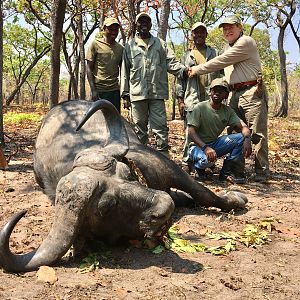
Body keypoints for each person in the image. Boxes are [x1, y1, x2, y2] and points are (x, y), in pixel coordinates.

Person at [188, 15, 269, 182]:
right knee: (233, 132)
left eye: (231, 26)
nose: (227, 30)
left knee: (257, 134)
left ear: (240, 27)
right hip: (233, 93)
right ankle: (235, 170)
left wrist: (197, 69)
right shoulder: (226, 48)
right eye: (224, 28)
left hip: (251, 92)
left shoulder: (246, 42)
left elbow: (221, 61)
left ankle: (262, 172)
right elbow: (222, 72)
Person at [120, 12, 187, 152]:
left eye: (146, 21)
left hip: (157, 94)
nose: (143, 24)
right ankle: (140, 161)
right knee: (139, 130)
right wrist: (125, 95)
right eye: (140, 21)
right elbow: (125, 72)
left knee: (160, 129)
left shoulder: (160, 44)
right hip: (137, 95)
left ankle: (164, 161)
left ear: (151, 25)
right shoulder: (129, 46)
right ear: (136, 25)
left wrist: (185, 71)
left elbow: (171, 63)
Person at [187, 77, 252, 183]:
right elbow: (191, 132)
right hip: (197, 146)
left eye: (221, 91)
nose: (217, 93)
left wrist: (248, 138)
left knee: (241, 137)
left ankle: (227, 172)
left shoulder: (227, 111)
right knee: (206, 161)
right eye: (215, 90)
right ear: (210, 92)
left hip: (214, 144)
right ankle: (197, 167)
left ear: (226, 95)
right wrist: (205, 147)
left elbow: (243, 127)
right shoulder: (200, 107)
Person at [176, 21, 222, 167]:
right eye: (196, 32)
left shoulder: (213, 53)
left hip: (210, 101)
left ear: (206, 34)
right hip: (192, 99)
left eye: (202, 32)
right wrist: (180, 100)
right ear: (192, 35)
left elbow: (220, 76)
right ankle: (187, 162)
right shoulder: (186, 56)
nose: (199, 35)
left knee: (209, 132)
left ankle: (208, 162)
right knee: (190, 132)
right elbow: (179, 80)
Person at [86, 17, 123, 112]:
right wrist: (93, 90)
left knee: (114, 121)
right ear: (104, 29)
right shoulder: (95, 44)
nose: (113, 32)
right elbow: (89, 68)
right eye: (110, 29)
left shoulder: (120, 49)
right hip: (99, 91)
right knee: (96, 121)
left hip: (114, 91)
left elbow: (123, 71)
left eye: (116, 29)